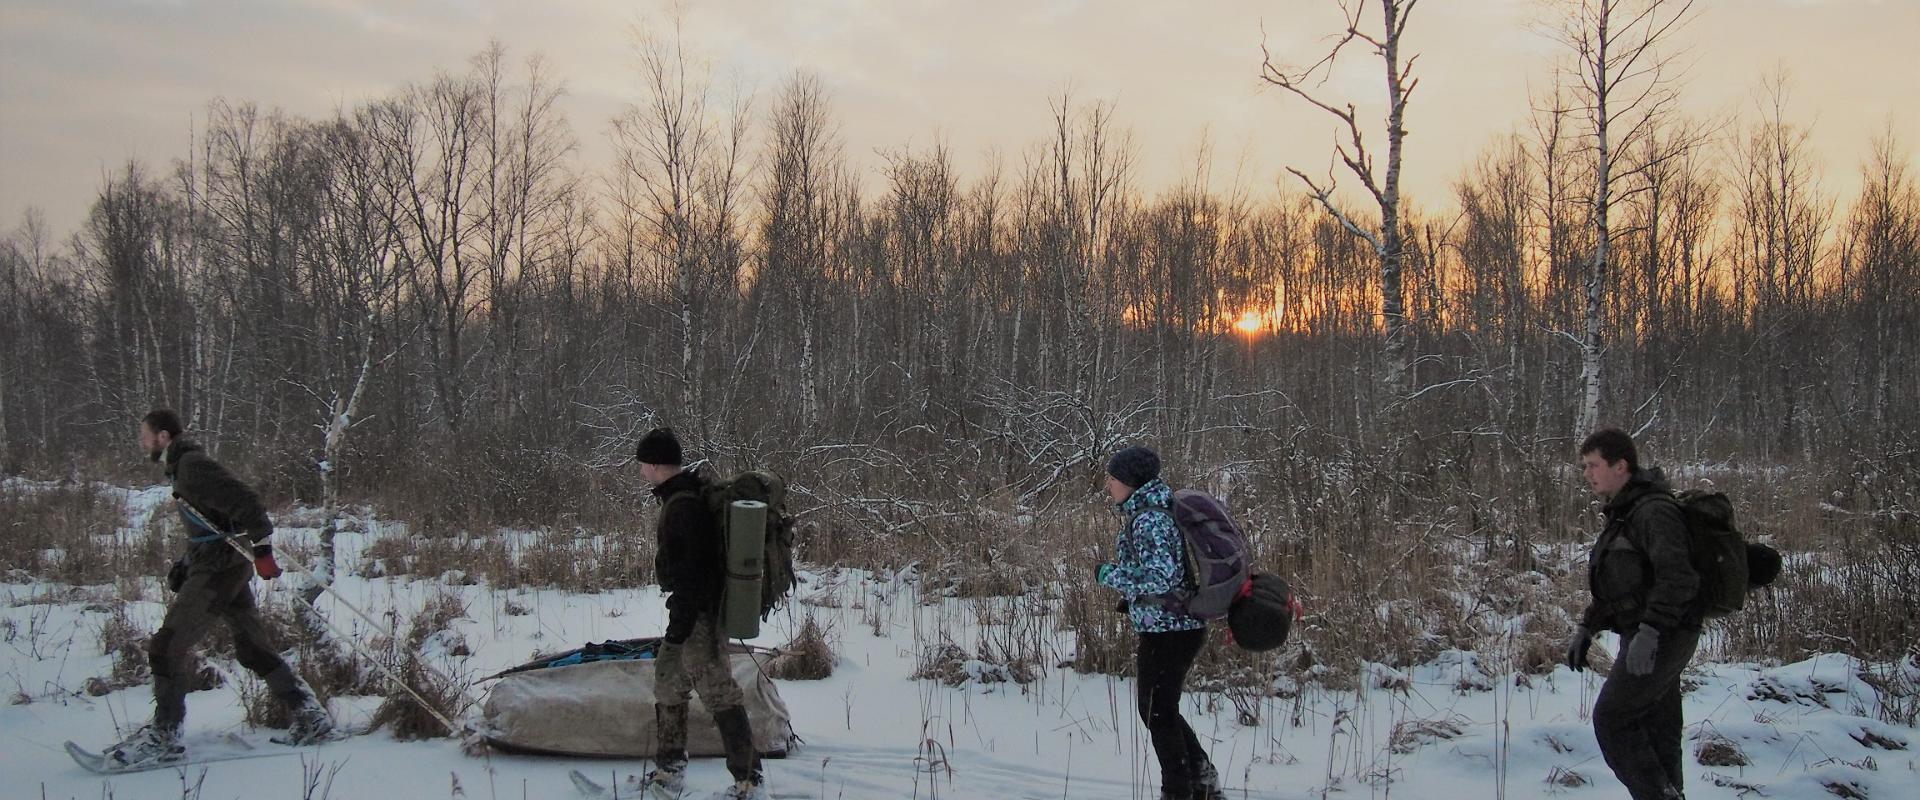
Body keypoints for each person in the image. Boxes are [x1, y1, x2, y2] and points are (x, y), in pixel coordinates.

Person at [103, 409, 333, 768]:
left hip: (219, 569)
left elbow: (247, 502)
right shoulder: (180, 467)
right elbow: (211, 520)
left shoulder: (191, 465)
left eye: (144, 435)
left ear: (163, 437)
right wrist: (186, 562)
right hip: (219, 562)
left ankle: (165, 736)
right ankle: (308, 714)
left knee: (166, 648)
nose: (141, 441)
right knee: (253, 648)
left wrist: (263, 550)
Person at [1566, 428, 1703, 800]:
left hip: (1666, 635)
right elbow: (1621, 583)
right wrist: (1587, 627)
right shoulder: (1625, 512)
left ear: (1621, 465)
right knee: (1658, 729)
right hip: (1644, 635)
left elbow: (1678, 577)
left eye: (1593, 465)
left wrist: (1652, 632)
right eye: (1584, 466)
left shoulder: (1654, 512)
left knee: (1612, 718)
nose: (1587, 474)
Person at [633, 427, 765, 800]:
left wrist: (679, 629)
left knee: (719, 693)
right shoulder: (684, 497)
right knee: (668, 685)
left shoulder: (682, 508)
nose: (642, 471)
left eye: (643, 464)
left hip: (698, 617)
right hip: (692, 612)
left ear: (656, 464)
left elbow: (691, 574)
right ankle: (669, 773)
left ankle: (748, 781)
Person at [1095, 446, 1223, 800]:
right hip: (1173, 628)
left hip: (1171, 631)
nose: (1109, 484)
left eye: (1114, 478)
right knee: (1160, 711)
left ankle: (1180, 790)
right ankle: (1201, 781)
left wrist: (1109, 575)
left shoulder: (1150, 519)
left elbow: (1159, 577)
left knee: (1156, 713)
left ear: (1131, 482)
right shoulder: (1155, 510)